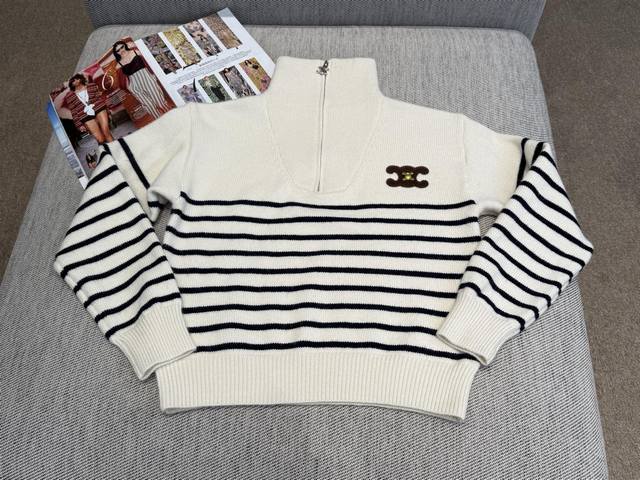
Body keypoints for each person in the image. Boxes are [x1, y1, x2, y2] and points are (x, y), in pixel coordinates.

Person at [113, 40, 171, 119]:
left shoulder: (136, 52)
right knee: (149, 106)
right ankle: (160, 121)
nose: (121, 50)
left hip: (148, 80)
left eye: (122, 47)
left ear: (125, 45)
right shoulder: (118, 65)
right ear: (116, 53)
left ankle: (171, 116)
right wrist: (129, 87)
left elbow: (150, 56)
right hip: (135, 87)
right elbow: (121, 82)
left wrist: (133, 44)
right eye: (118, 50)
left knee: (160, 102)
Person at [63, 73, 113, 145]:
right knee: (100, 139)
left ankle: (116, 148)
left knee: (106, 131)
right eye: (73, 80)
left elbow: (100, 98)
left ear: (81, 79)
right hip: (85, 116)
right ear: (71, 83)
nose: (75, 81)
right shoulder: (69, 96)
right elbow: (73, 111)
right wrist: (79, 125)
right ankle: (106, 150)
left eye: (77, 78)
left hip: (99, 108)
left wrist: (108, 109)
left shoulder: (91, 85)